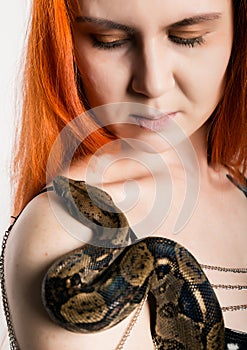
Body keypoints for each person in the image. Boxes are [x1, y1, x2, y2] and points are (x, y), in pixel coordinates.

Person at [1, 0, 246, 349]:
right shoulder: (59, 231)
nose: (153, 83)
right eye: (110, 39)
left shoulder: (236, 178)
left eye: (188, 36)